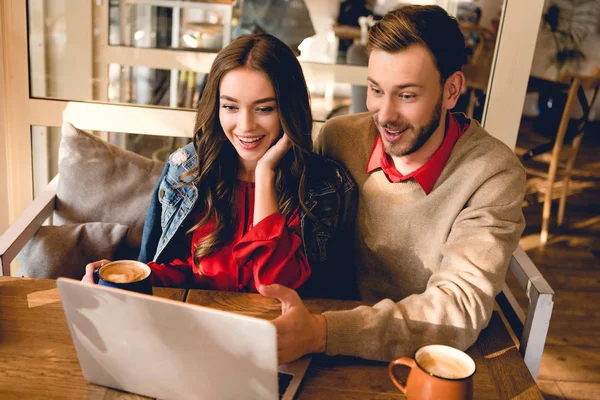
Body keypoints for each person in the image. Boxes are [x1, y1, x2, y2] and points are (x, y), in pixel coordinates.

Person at [257, 5, 526, 364]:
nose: (385, 115)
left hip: (418, 358)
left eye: (407, 95)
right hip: (316, 335)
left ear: (451, 91)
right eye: (376, 90)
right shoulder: (339, 139)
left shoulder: (492, 174)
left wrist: (324, 332)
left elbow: (458, 308)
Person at [82, 34, 357, 300]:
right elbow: (184, 272)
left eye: (264, 109)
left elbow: (275, 289)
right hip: (201, 327)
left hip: (280, 337)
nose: (246, 125)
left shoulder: (322, 187)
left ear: (289, 109)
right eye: (230, 107)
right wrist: (123, 279)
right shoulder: (187, 171)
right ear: (216, 107)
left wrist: (264, 175)